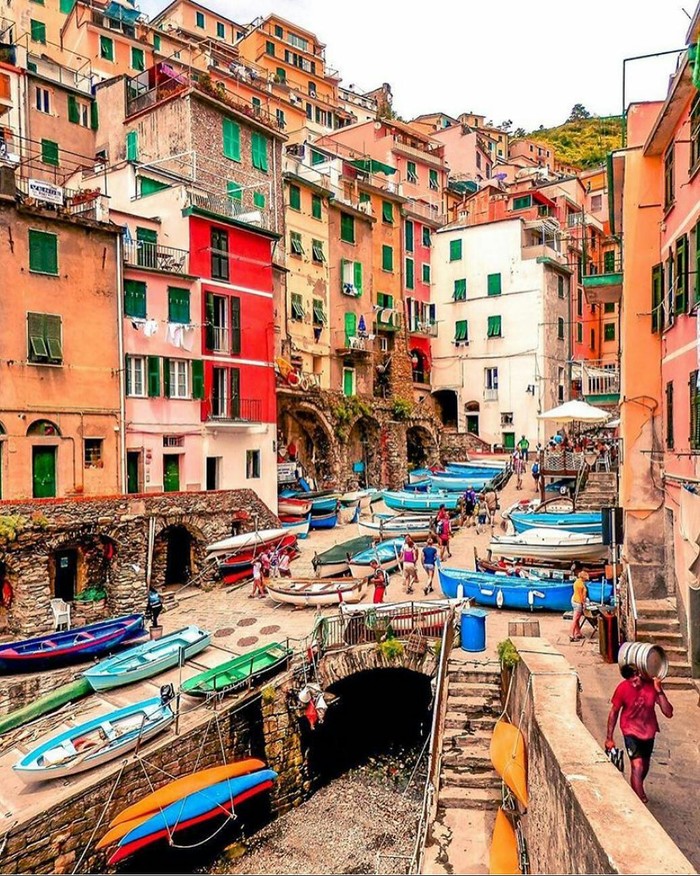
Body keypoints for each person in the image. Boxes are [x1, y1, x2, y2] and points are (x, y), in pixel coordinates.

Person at [605, 666, 673, 803]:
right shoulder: (622, 688)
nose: (634, 682)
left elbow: (668, 712)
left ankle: (635, 788)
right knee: (637, 765)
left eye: (635, 678)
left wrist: (659, 690)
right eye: (630, 680)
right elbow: (614, 713)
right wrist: (609, 738)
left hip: (649, 731)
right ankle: (640, 800)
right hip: (630, 730)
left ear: (640, 674)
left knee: (645, 767)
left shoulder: (651, 687)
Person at [570, 570, 589, 641]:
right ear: (584, 578)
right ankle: (571, 635)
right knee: (575, 619)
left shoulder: (576, 582)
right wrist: (584, 605)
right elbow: (582, 598)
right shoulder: (582, 585)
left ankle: (578, 633)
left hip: (573, 600)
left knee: (577, 619)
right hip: (578, 603)